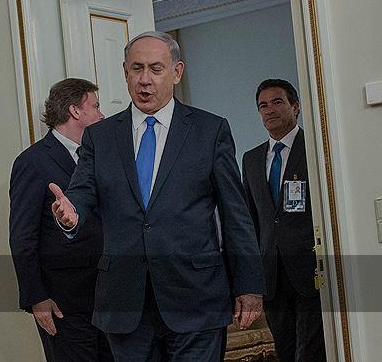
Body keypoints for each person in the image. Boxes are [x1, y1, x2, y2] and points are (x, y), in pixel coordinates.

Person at [50, 31, 264, 362]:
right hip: (125, 303)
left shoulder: (210, 130)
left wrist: (249, 284)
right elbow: (81, 193)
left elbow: (235, 213)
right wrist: (70, 215)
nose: (145, 79)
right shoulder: (99, 137)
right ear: (125, 73)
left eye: (156, 68)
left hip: (196, 297)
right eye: (137, 68)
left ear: (176, 72)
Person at [9, 78, 113, 362]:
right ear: (75, 111)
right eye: (96, 106)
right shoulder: (32, 162)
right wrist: (36, 298)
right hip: (63, 303)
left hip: (108, 298)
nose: (102, 114)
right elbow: (22, 237)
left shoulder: (101, 156)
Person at [241, 79, 326, 362]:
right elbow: (251, 220)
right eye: (263, 105)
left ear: (295, 106)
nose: (269, 110)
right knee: (286, 351)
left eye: (277, 102)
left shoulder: (314, 148)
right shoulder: (251, 159)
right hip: (272, 275)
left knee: (310, 352)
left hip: (310, 271)